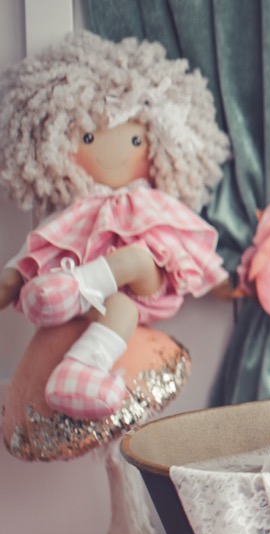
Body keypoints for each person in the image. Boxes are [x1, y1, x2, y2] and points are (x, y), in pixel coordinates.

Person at [0, 32, 229, 420]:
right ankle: (81, 371)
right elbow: (38, 247)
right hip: (103, 303)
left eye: (135, 139)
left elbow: (190, 247)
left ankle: (76, 287)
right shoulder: (74, 211)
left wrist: (224, 283)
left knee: (138, 258)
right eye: (88, 137)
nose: (114, 151)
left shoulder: (152, 203)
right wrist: (10, 279)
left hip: (144, 284)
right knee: (121, 310)